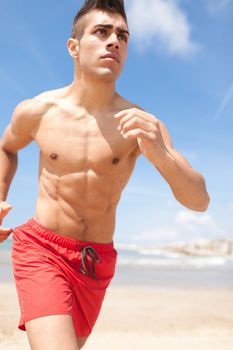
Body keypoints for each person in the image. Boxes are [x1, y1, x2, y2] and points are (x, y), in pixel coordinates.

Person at [0, 0, 210, 349]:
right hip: (41, 249)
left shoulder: (144, 124)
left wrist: (159, 155)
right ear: (74, 46)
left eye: (122, 36)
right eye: (101, 32)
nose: (114, 41)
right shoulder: (38, 111)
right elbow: (6, 147)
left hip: (95, 262)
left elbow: (199, 200)